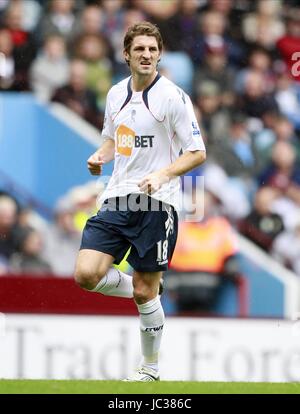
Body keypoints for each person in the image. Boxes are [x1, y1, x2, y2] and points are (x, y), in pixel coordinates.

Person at [74, 21, 206, 381]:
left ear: (159, 54)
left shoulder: (174, 97)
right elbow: (114, 140)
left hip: (157, 204)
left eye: (152, 49)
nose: (146, 55)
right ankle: (143, 288)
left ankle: (150, 368)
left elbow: (196, 152)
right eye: (139, 50)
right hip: (117, 197)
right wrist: (99, 156)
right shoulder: (116, 94)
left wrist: (163, 175)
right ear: (126, 56)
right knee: (86, 274)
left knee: (146, 292)